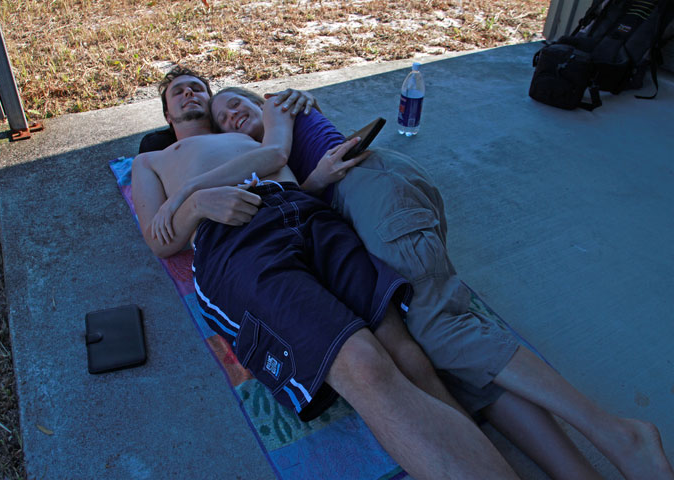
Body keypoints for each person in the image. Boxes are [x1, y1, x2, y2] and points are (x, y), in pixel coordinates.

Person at [187, 86, 673, 480]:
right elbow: (294, 186)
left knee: (440, 327)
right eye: (221, 115)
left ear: (260, 98)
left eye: (237, 102)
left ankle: (619, 434)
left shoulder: (280, 107)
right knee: (450, 359)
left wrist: (182, 201)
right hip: (349, 208)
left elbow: (279, 148)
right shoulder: (261, 157)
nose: (230, 115)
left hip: (370, 187)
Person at [131, 66, 521, 480]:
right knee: (365, 364)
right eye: (179, 92)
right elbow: (160, 240)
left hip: (306, 213)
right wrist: (194, 206)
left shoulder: (243, 134)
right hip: (236, 241)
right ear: (167, 114)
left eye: (198, 88)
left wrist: (291, 102)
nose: (190, 93)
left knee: (407, 353)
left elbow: (281, 145)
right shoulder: (151, 160)